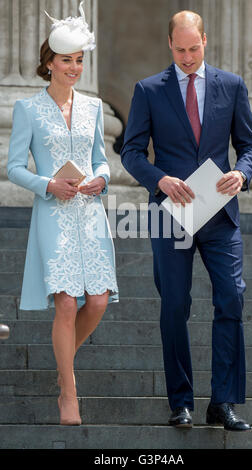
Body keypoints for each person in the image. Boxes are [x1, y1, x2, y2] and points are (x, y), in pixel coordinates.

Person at [121, 10, 252, 431]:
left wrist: (243, 172)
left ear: (205, 40)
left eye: (194, 48)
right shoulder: (148, 90)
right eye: (180, 49)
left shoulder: (232, 86)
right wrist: (159, 178)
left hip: (220, 213)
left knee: (231, 300)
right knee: (175, 306)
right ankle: (180, 402)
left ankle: (223, 403)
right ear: (170, 44)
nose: (187, 56)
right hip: (171, 214)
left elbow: (250, 146)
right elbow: (131, 152)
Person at [7, 1, 118, 426]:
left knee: (99, 300)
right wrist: (48, 184)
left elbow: (101, 160)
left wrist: (101, 180)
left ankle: (61, 364)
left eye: (79, 61)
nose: (74, 68)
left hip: (89, 212)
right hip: (53, 212)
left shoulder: (92, 107)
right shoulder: (27, 109)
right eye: (66, 60)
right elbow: (14, 167)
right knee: (67, 303)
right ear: (48, 63)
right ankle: (68, 393)